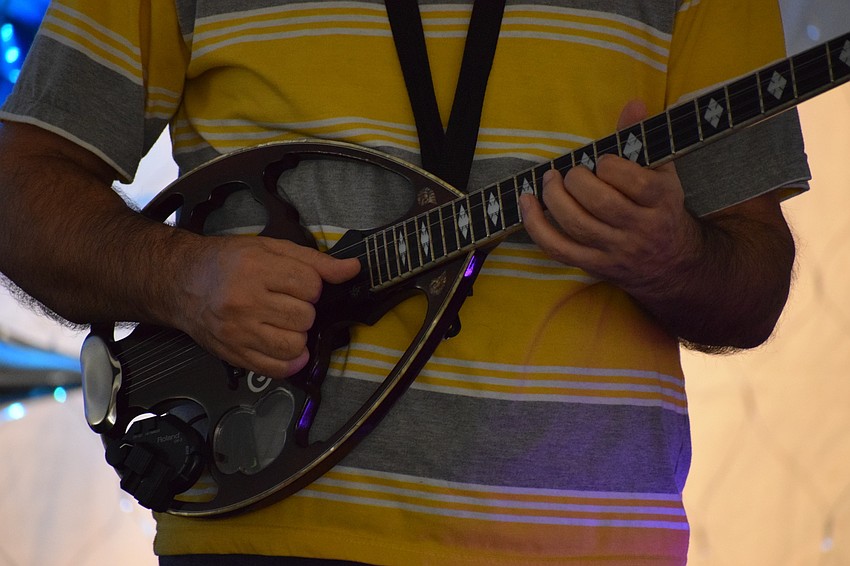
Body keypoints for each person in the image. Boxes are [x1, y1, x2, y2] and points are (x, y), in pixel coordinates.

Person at [0, 1, 810, 564]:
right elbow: (20, 194)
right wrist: (181, 279)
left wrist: (675, 257)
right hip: (264, 540)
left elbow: (753, 282)